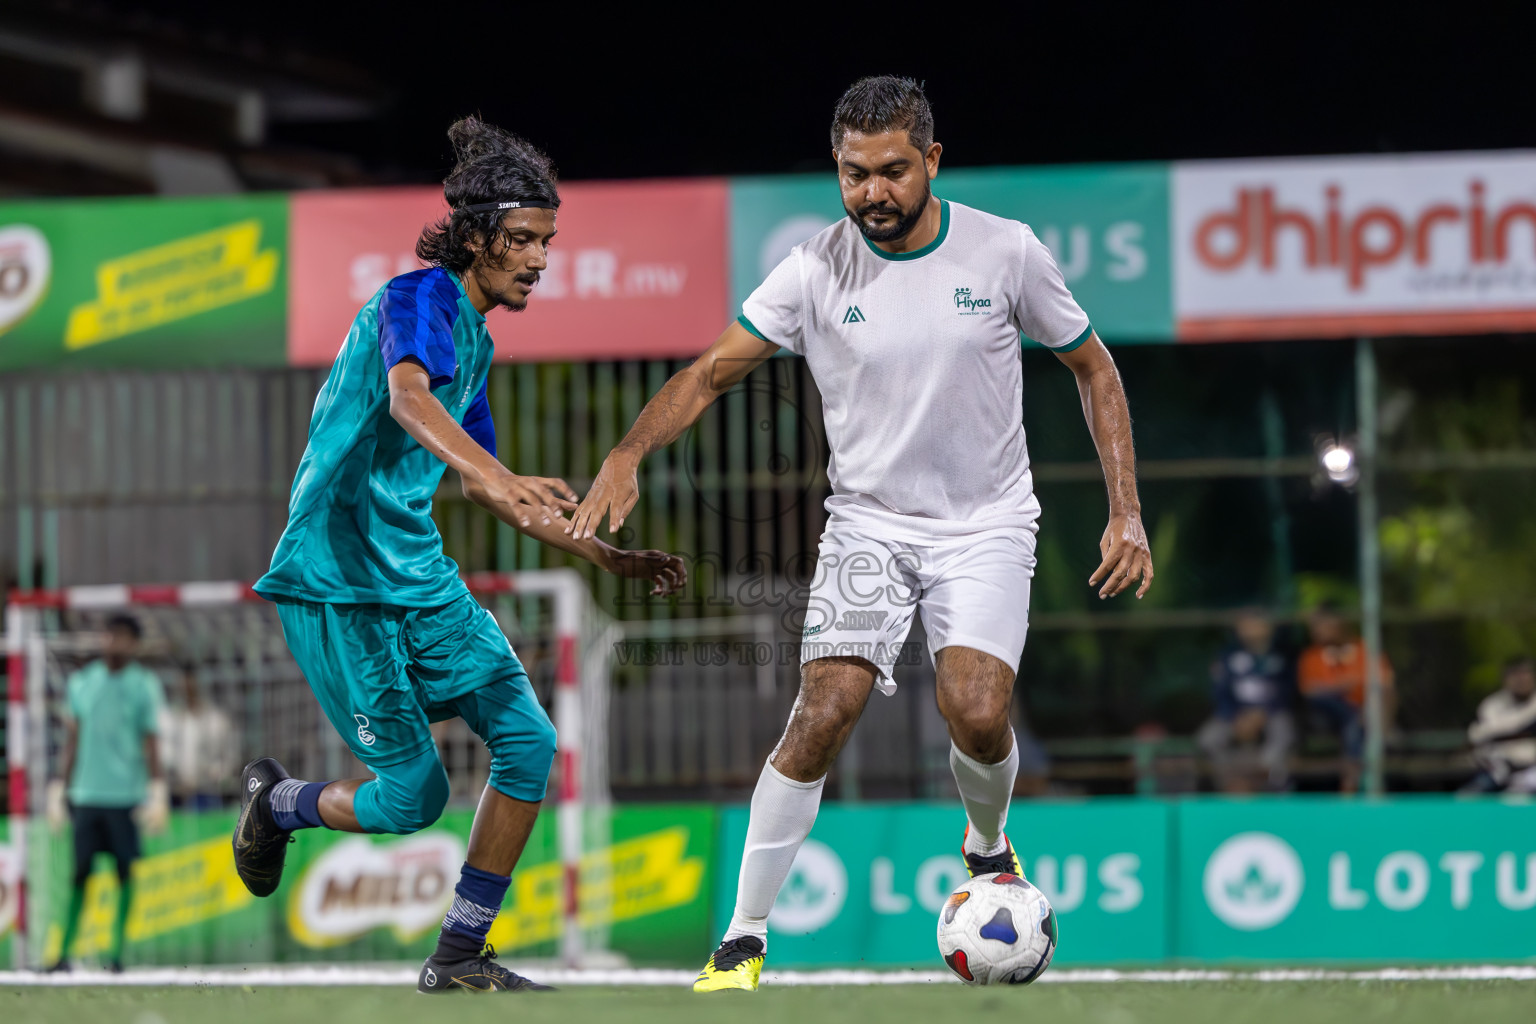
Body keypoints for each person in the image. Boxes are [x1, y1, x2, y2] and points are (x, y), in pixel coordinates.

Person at [569, 77, 1152, 992]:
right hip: (868, 529)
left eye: (890, 171)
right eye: (852, 174)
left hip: (987, 522)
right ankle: (743, 938)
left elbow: (1094, 368)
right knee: (823, 712)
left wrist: (1126, 509)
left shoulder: (1007, 253)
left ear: (931, 161)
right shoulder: (813, 269)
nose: (872, 192)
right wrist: (628, 452)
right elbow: (708, 374)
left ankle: (988, 846)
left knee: (976, 709)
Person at [234, 117, 685, 995]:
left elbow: (485, 487)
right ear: (475, 237)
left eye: (548, 242)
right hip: (340, 581)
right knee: (414, 800)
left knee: (527, 741)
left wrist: (599, 553)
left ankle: (458, 957)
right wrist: (500, 472)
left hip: (419, 576)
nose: (540, 259)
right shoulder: (416, 299)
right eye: (523, 240)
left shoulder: (474, 341)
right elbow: (408, 402)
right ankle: (277, 804)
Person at [44, 613, 168, 973]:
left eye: (123, 636)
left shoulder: (144, 685)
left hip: (125, 797)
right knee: (79, 873)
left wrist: (158, 791)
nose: (114, 642)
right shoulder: (83, 683)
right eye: (110, 635)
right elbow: (72, 741)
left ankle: (114, 956)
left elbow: (151, 743)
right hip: (86, 795)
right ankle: (63, 953)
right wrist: (58, 786)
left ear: (135, 643)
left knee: (125, 873)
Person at [1296, 604, 1394, 793]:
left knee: (1367, 715)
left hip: (1367, 714)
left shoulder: (1365, 650)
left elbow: (1384, 681)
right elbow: (1309, 690)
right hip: (1327, 717)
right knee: (1351, 720)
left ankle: (1368, 774)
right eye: (1313, 626)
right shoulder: (1311, 657)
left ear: (1338, 623)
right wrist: (1342, 684)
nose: (1315, 631)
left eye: (1320, 625)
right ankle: (1351, 784)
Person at [1196, 610, 1296, 792]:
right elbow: (1221, 690)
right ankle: (1232, 784)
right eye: (1245, 625)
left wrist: (1262, 714)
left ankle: (1269, 786)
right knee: (1208, 738)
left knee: (1284, 735)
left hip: (1272, 713)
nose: (1250, 629)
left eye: (1256, 623)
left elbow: (1289, 691)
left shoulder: (1284, 655)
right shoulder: (1228, 655)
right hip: (1236, 714)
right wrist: (1235, 716)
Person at [158, 664, 237, 810]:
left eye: (191, 688)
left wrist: (214, 775)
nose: (187, 693)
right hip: (175, 794)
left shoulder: (216, 721)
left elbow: (229, 758)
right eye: (183, 689)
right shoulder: (167, 720)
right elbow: (164, 755)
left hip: (207, 794)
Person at [1464, 656, 1536, 793]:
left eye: (1525, 673)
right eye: (1515, 674)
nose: (1521, 679)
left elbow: (1491, 731)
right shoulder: (1492, 704)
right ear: (1505, 679)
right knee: (1466, 799)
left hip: (1531, 770)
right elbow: (1477, 736)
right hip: (1498, 770)